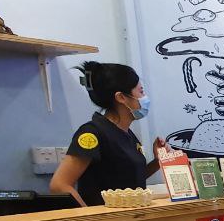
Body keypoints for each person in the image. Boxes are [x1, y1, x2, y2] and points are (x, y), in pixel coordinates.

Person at [50, 61, 161, 207]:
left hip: (130, 220)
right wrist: (92, 220)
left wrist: (158, 161)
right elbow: (59, 185)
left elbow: (129, 181)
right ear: (121, 97)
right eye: (141, 92)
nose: (144, 97)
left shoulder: (126, 134)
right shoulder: (92, 133)